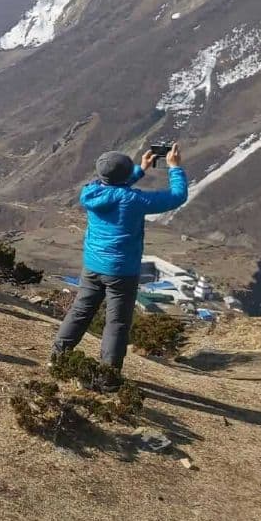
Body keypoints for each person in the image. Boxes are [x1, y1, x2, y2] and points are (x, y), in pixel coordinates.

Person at [51, 144, 188, 380]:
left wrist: (139, 170)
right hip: (122, 271)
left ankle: (57, 358)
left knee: (80, 312)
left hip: (93, 266)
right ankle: (107, 377)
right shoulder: (134, 199)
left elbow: (114, 188)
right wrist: (174, 168)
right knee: (116, 323)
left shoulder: (90, 193)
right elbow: (177, 196)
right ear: (124, 175)